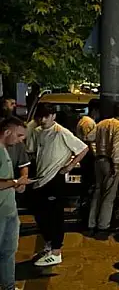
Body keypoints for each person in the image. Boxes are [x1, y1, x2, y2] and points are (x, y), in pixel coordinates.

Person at [26, 104, 89, 267]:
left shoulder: (61, 132)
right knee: (41, 215)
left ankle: (56, 251)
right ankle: (49, 245)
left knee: (55, 215)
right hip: (40, 178)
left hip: (55, 179)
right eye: (40, 116)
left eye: (46, 116)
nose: (43, 120)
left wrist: (69, 166)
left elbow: (83, 148)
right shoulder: (37, 131)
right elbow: (31, 150)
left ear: (53, 116)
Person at [0, 117, 35, 290]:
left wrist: (19, 183)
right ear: (7, 132)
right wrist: (15, 182)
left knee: (8, 252)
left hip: (9, 209)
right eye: (19, 135)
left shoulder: (8, 149)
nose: (21, 140)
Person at [88, 103, 119, 234]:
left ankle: (91, 223)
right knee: (109, 195)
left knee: (97, 191)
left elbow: (89, 137)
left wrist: (96, 150)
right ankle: (103, 225)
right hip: (110, 162)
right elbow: (117, 147)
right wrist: (116, 165)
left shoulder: (102, 123)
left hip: (98, 160)